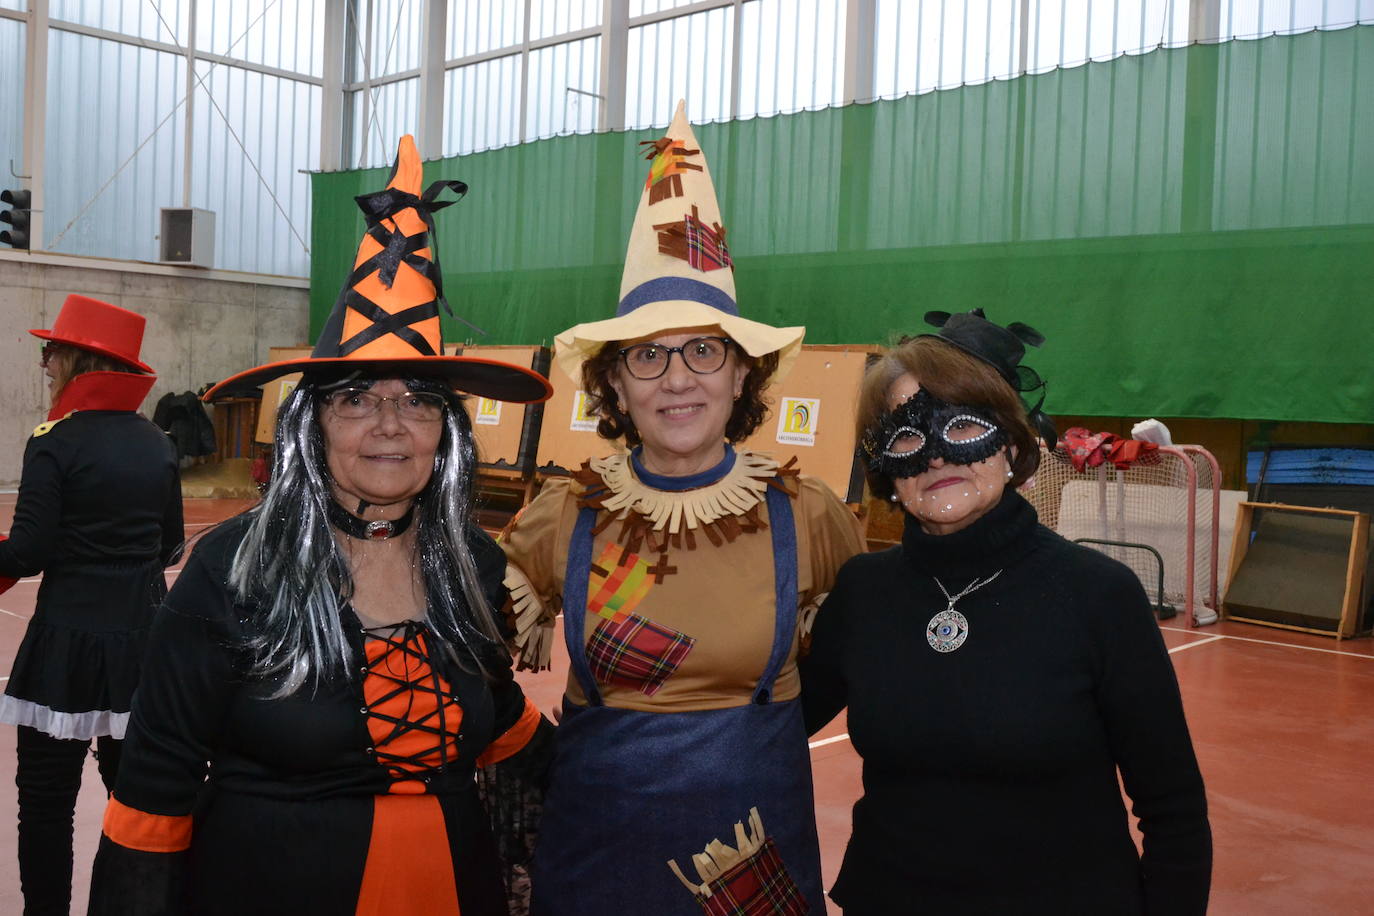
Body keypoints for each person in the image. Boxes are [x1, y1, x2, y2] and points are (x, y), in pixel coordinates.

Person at [86, 135, 555, 916]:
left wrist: (632, 777)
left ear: (448, 435)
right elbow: (157, 778)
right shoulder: (235, 568)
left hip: (453, 888)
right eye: (357, 398)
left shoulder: (472, 560)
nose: (391, 424)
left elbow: (499, 715)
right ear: (313, 424)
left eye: (418, 399)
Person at [500, 101, 865, 915]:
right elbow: (470, 652)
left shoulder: (807, 514)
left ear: (741, 376)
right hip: (596, 846)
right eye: (648, 356)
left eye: (704, 351)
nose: (676, 378)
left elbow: (859, 656)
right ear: (615, 386)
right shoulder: (560, 515)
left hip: (751, 852)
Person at [801, 309, 1212, 915]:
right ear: (887, 471)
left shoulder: (1099, 595)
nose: (936, 457)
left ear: (1013, 443)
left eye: (962, 427)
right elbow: (772, 727)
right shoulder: (865, 591)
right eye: (908, 437)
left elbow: (1172, 807)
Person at [0, 294, 182, 916]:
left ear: (78, 358)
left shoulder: (54, 439)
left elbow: (27, 549)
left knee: (45, 803)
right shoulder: (158, 441)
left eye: (52, 350)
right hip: (142, 639)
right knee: (135, 801)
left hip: (66, 643)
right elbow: (170, 543)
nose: (46, 362)